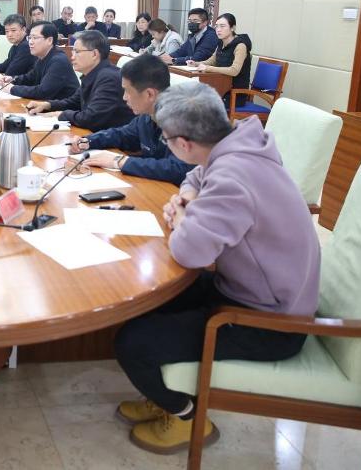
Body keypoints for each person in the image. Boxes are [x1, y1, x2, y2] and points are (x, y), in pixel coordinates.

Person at [113, 81, 319, 455]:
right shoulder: (242, 142)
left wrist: (182, 218)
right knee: (148, 302)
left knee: (134, 343)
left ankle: (186, 416)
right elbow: (197, 175)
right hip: (255, 289)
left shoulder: (232, 178)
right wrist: (189, 198)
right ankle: (164, 392)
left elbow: (189, 251)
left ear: (183, 144)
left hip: (271, 321)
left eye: (166, 140)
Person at [69, 54, 195, 185]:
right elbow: (122, 135)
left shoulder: (187, 119)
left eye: (128, 91)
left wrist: (120, 161)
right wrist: (88, 141)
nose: (124, 97)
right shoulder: (148, 115)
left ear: (149, 94)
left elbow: (179, 169)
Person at [25, 31, 134, 131]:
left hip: (116, 142)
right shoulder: (93, 74)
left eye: (77, 52)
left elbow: (91, 118)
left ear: (94, 54)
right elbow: (73, 102)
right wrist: (46, 105)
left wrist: (61, 114)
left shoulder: (109, 78)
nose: (72, 57)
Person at [2, 21, 78, 101]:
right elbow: (30, 78)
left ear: (49, 40)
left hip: (64, 107)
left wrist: (12, 89)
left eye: (35, 38)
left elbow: (43, 92)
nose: (30, 42)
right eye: (29, 38)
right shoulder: (42, 57)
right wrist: (12, 79)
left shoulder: (58, 61)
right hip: (47, 105)